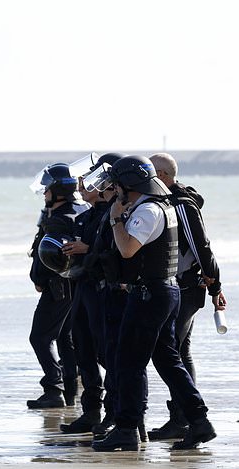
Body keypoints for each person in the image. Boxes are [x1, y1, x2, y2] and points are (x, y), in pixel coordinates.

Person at [87, 156, 216, 452]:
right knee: (168, 360)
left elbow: (127, 249)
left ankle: (127, 429)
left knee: (128, 362)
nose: (114, 190)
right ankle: (199, 421)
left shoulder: (146, 210)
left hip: (149, 295)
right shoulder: (163, 206)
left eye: (117, 184)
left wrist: (116, 218)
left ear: (128, 185)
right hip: (165, 292)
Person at [146, 153, 226, 440]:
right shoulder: (168, 201)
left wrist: (216, 286)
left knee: (170, 353)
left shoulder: (181, 204)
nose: (146, 179)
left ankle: (184, 419)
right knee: (180, 351)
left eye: (151, 173)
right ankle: (181, 417)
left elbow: (202, 246)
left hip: (186, 288)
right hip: (183, 287)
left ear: (165, 176)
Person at [58, 156, 118, 433]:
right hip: (83, 287)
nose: (83, 185)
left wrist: (86, 249)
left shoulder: (114, 213)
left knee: (106, 352)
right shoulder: (86, 216)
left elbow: (116, 252)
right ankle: (91, 411)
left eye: (91, 180)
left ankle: (116, 412)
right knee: (81, 347)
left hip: (105, 290)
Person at [26, 163, 85, 409]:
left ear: (58, 190)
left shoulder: (59, 220)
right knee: (65, 338)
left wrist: (39, 280)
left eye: (47, 189)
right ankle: (70, 389)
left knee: (39, 338)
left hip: (58, 288)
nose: (44, 193)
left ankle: (53, 388)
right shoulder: (80, 210)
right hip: (76, 289)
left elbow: (49, 255)